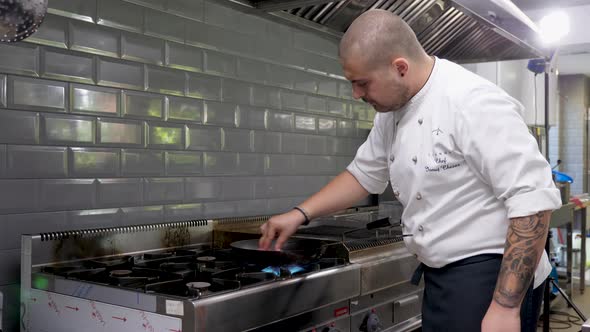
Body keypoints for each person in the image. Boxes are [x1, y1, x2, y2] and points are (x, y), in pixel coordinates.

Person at [259, 9, 562, 332]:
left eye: (362, 83)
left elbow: (532, 201)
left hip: (493, 274)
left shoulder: (473, 102)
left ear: (400, 67)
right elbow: (362, 175)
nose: (356, 94)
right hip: (441, 275)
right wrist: (299, 214)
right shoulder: (391, 113)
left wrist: (505, 306)